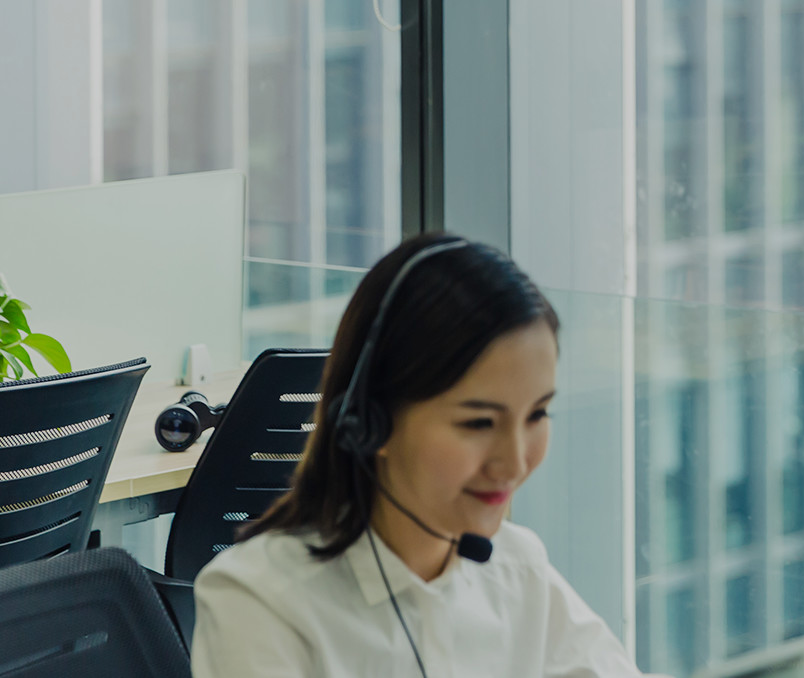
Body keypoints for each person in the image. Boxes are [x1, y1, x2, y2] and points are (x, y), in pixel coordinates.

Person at [192, 234, 665, 677]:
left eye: (537, 414)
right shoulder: (260, 602)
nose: (515, 463)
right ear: (372, 420)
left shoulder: (517, 569)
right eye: (478, 423)